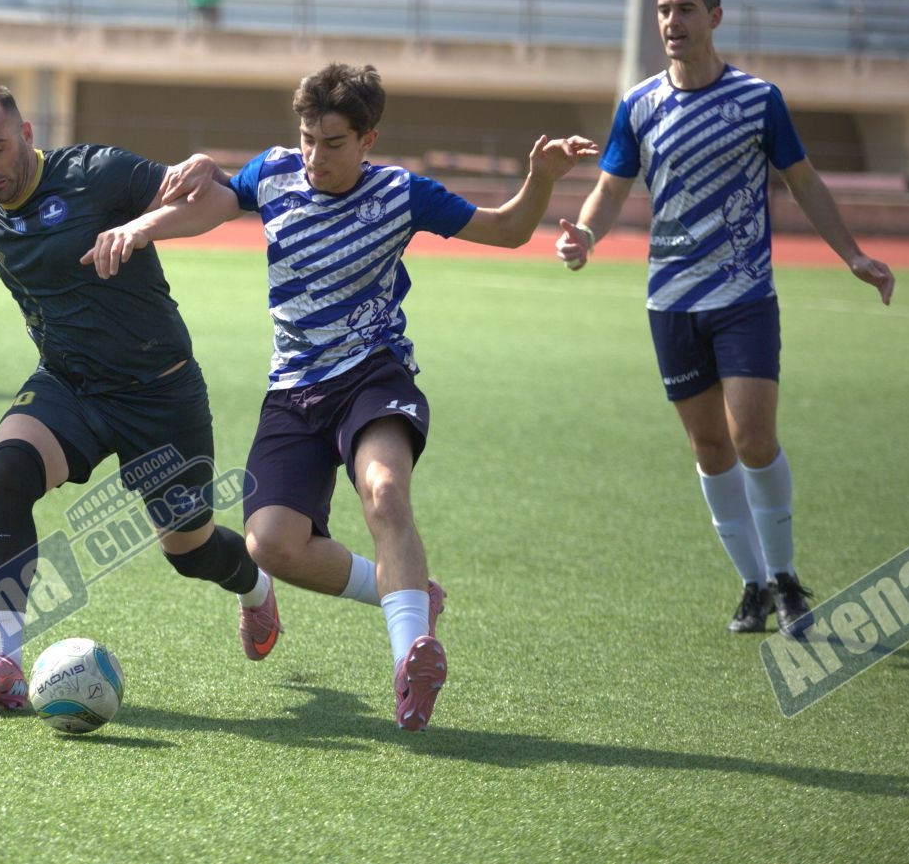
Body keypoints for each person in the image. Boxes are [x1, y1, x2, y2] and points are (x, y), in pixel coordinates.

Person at [83, 63, 597, 730]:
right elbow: (211, 204)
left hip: (372, 376)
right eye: (307, 138)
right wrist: (143, 227)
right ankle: (409, 594)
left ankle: (410, 657)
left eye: (332, 143)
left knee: (384, 491)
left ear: (366, 140)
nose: (314, 156)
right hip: (293, 391)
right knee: (270, 545)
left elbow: (505, 230)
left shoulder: (401, 193)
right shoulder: (273, 174)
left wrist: (541, 180)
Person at [0, 82, 278, 710]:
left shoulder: (97, 172)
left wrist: (142, 226)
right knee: (9, 470)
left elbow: (216, 203)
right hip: (68, 383)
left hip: (159, 393)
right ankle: (4, 658)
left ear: (26, 134)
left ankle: (255, 588)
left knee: (190, 549)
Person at [556, 0, 895, 639]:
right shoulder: (639, 104)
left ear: (713, 17)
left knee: (753, 437)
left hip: (744, 295)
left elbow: (802, 181)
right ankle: (752, 584)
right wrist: (585, 234)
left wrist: (852, 253)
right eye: (663, 10)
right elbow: (612, 188)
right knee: (710, 446)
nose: (671, 22)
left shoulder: (757, 99)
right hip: (671, 301)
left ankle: (786, 577)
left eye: (684, 9)